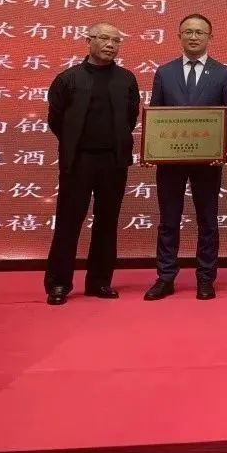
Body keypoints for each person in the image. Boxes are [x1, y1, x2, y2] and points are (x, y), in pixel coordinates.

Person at [144, 13, 227, 301]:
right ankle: (165, 277)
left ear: (210, 37)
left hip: (207, 161)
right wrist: (153, 147)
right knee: (169, 220)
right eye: (188, 31)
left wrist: (220, 144)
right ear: (179, 36)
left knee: (207, 220)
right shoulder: (165, 72)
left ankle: (206, 278)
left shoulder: (222, 73)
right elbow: (155, 114)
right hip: (171, 161)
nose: (194, 36)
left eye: (200, 32)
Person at [43, 23, 140, 305]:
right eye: (104, 39)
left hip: (113, 161)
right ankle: (58, 283)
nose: (110, 45)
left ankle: (99, 282)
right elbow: (56, 120)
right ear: (89, 41)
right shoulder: (68, 78)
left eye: (116, 40)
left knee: (107, 222)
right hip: (79, 161)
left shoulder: (126, 79)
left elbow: (130, 118)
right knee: (68, 222)